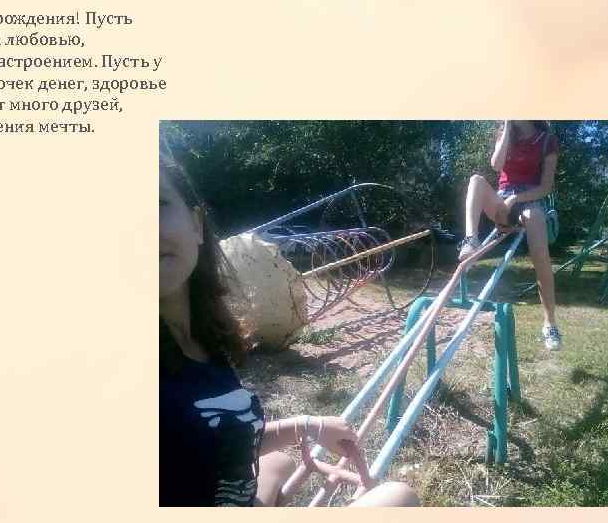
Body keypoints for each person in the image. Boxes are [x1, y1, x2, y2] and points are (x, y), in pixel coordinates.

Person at [159, 145, 420, 507]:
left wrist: (305, 425)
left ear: (197, 224)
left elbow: (211, 438)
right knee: (399, 498)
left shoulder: (205, 340)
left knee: (278, 462)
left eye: (156, 204)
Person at [458, 120, 563, 350]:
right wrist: (506, 125)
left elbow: (545, 188)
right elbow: (496, 165)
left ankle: (550, 323)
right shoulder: (505, 134)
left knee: (535, 224)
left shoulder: (547, 141)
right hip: (502, 201)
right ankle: (471, 240)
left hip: (530, 201)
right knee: (476, 180)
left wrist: (516, 198)